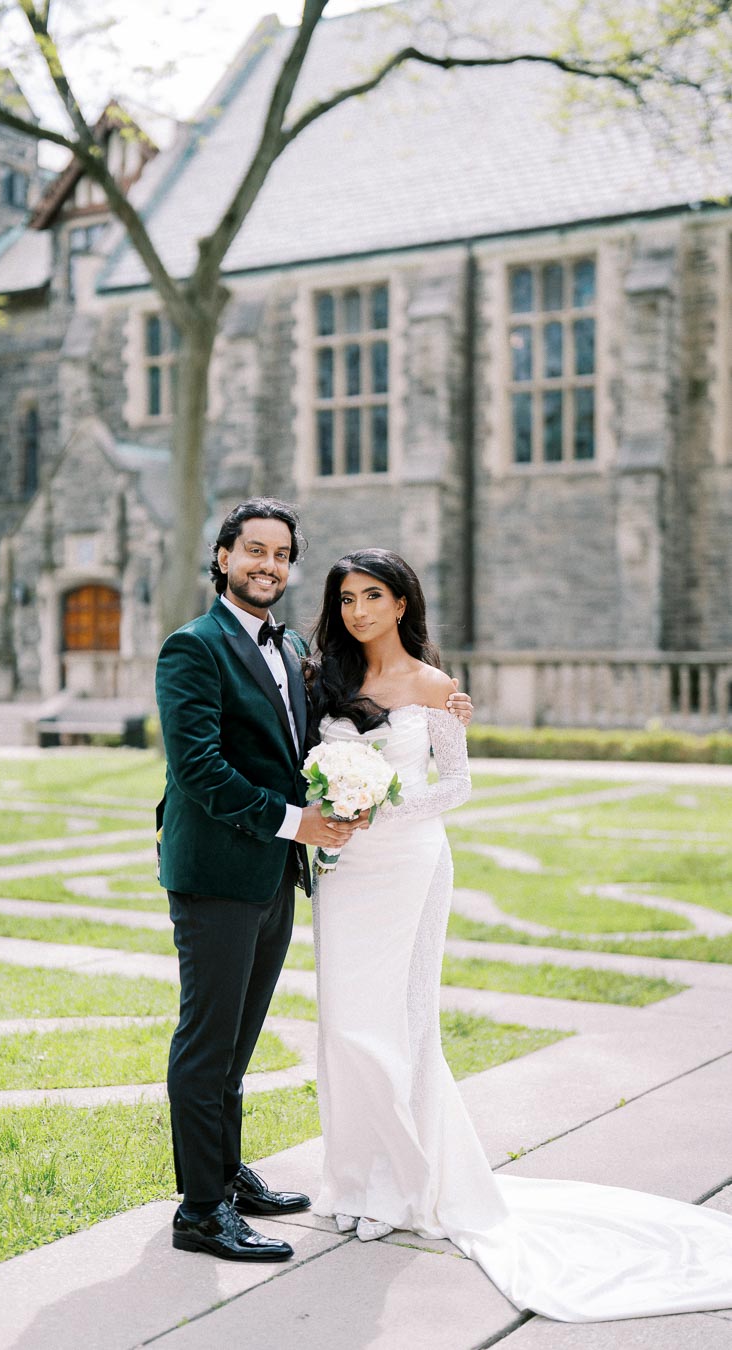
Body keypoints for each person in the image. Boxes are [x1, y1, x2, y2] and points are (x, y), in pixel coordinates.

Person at [307, 546, 732, 1320]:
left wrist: (376, 810)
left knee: (398, 1025)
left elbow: (456, 783)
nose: (358, 611)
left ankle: (401, 1188)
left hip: (407, 865)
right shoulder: (324, 681)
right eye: (345, 599)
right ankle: (355, 1178)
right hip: (343, 873)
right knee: (341, 1026)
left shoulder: (435, 687)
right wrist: (337, 820)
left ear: (403, 603)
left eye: (372, 595)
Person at [155, 500, 473, 1263]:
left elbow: (323, 733)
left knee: (238, 1039)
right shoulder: (191, 647)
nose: (268, 564)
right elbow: (199, 769)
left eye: (281, 554)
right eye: (253, 550)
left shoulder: (296, 646)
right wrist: (300, 824)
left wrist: (441, 710)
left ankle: (227, 1174)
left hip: (281, 875)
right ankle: (201, 1211)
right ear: (223, 555)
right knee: (207, 1040)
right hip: (220, 871)